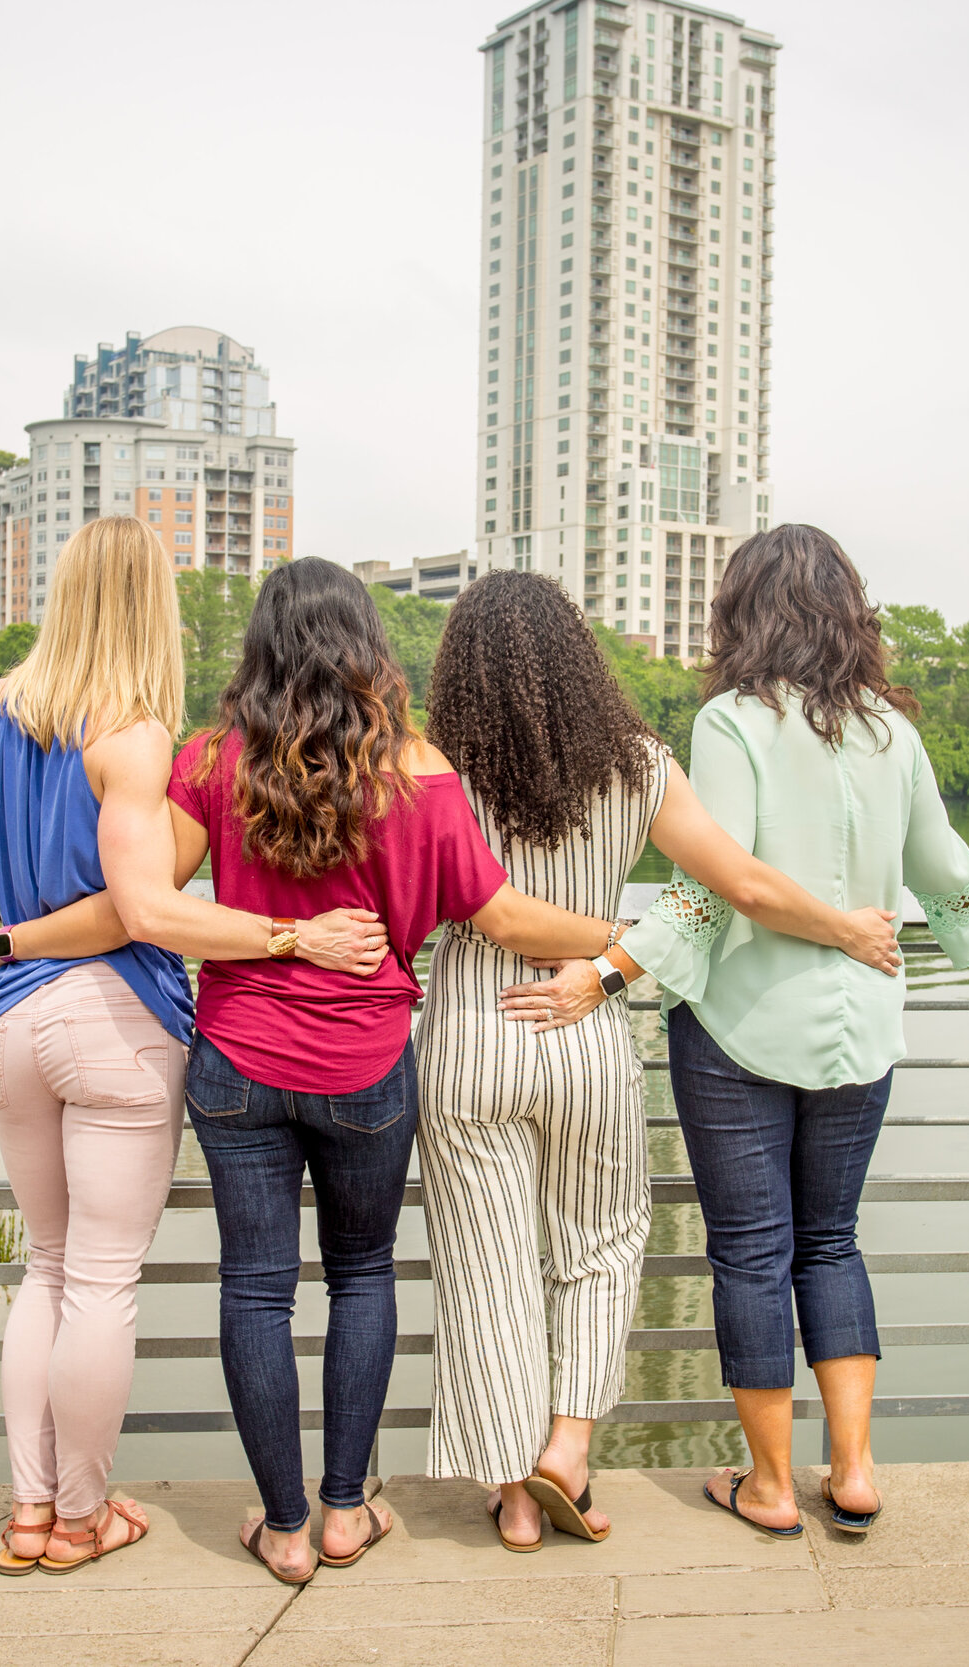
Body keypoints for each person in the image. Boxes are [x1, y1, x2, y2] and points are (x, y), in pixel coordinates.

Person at [0, 517, 388, 1577]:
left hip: (14, 1021)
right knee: (104, 1281)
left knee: (48, 1268)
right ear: (147, 607)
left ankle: (29, 1509)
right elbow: (142, 910)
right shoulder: (134, 735)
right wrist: (289, 935)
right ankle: (82, 1514)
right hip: (111, 1020)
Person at [516, 525, 969, 1537]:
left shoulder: (730, 723)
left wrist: (603, 973)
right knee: (832, 1242)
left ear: (741, 610)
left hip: (739, 1026)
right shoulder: (889, 732)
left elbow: (712, 888)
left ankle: (772, 1484)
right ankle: (855, 1470)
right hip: (859, 1023)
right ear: (847, 613)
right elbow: (944, 866)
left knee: (750, 1254)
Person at [97, 558, 626, 1585]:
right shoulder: (416, 771)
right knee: (362, 1274)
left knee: (254, 1287)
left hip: (237, 1062)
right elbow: (504, 917)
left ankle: (282, 1526)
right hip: (365, 1069)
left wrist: (271, 933)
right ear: (364, 643)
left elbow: (147, 895)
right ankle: (347, 1511)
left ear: (260, 643)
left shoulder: (212, 757)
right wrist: (625, 936)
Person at [412, 571, 905, 1552]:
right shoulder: (637, 762)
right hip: (588, 1026)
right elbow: (742, 883)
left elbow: (421, 902)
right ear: (579, 659)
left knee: (490, 1266)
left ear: (459, 664)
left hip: (471, 1027)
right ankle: (568, 1449)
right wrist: (844, 930)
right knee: (597, 1246)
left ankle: (513, 1496)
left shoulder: (431, 767)